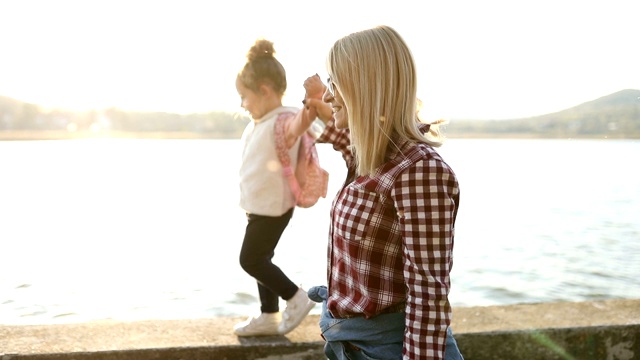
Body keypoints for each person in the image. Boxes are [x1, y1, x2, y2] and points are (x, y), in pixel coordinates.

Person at [302, 25, 464, 359]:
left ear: (365, 86)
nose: (330, 95)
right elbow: (318, 132)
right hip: (354, 345)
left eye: (336, 82)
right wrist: (313, 102)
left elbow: (427, 294)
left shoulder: (418, 172)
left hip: (390, 350)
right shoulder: (368, 157)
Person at [233, 38, 317, 337]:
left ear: (264, 91)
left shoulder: (283, 120)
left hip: (273, 208)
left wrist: (312, 104)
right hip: (259, 207)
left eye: (244, 96)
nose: (242, 104)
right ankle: (269, 316)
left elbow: (301, 125)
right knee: (261, 259)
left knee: (251, 259)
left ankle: (295, 296)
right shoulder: (263, 121)